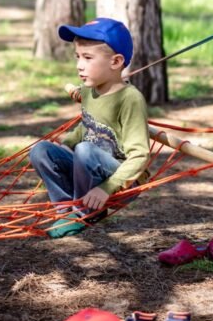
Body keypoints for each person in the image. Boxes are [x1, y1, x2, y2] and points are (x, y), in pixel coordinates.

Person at [29, 18, 150, 238]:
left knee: (84, 150)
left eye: (87, 58)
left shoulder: (130, 99)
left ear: (116, 62)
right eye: (77, 57)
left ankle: (83, 213)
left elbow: (140, 155)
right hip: (89, 169)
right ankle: (66, 211)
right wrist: (65, 144)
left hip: (122, 182)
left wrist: (106, 188)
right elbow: (89, 126)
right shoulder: (89, 90)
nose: (79, 65)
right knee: (40, 150)